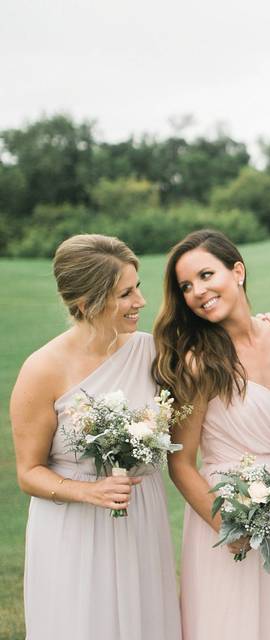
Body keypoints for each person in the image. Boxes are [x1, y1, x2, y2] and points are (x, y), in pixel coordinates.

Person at [11, 234, 180, 639]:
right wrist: (90, 492)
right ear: (87, 303)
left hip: (141, 518)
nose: (140, 301)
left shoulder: (152, 352)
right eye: (125, 293)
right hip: (75, 527)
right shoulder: (43, 369)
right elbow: (28, 472)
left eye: (137, 287)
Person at [154, 230, 270, 640]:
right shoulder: (197, 361)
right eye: (186, 286)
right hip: (231, 507)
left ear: (237, 271)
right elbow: (180, 464)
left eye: (206, 275)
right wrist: (228, 525)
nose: (197, 292)